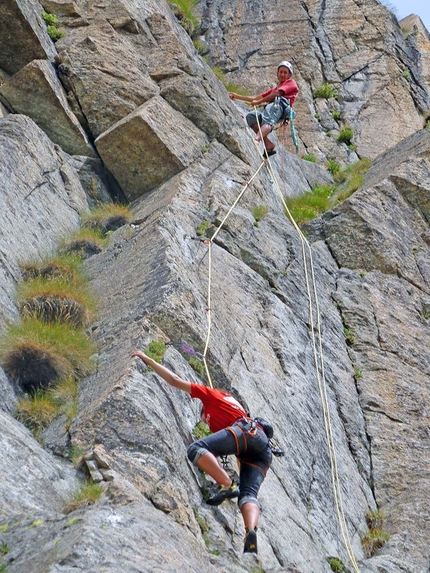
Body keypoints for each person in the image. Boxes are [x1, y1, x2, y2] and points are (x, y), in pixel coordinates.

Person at [132, 350, 273, 555]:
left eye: (205, 418)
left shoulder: (213, 396)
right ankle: (250, 531)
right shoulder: (235, 409)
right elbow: (242, 454)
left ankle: (226, 485)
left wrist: (148, 359)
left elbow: (174, 380)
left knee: (196, 448)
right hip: (261, 447)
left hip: (245, 430)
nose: (205, 422)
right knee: (248, 494)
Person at [229, 61, 299, 157]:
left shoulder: (291, 83)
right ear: (277, 73)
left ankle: (256, 139)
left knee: (268, 121)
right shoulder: (275, 89)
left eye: (285, 72)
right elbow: (255, 98)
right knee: (251, 117)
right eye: (281, 72)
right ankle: (268, 144)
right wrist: (237, 96)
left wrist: (258, 102)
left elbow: (276, 95)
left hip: (278, 106)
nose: (282, 74)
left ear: (289, 75)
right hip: (272, 107)